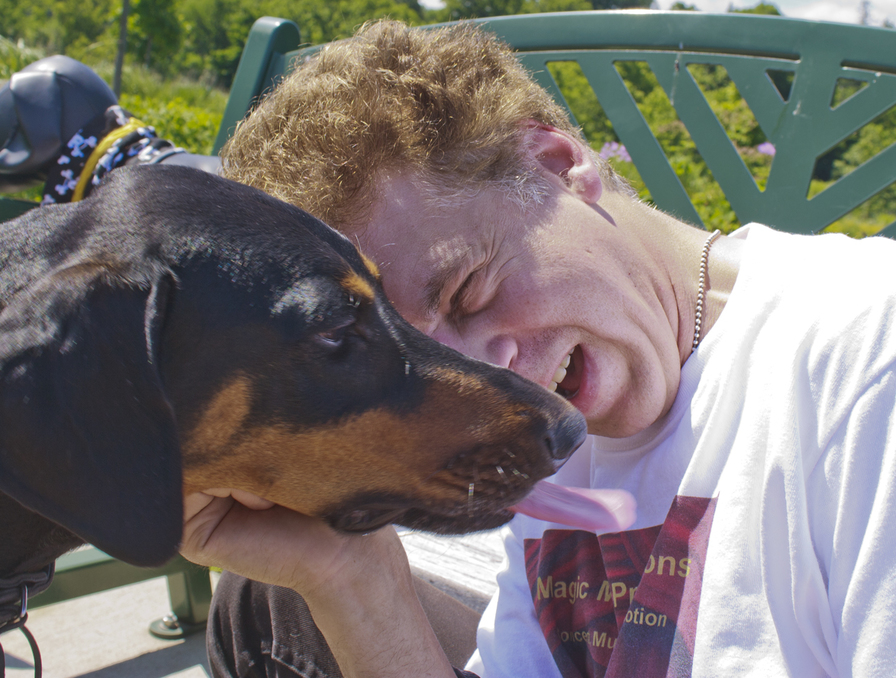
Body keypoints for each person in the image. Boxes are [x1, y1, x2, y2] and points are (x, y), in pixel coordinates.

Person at [179, 19, 896, 678]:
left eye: (468, 292)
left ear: (556, 162)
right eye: (429, 363)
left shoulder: (863, 357)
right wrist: (347, 573)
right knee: (263, 603)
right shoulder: (553, 420)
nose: (485, 378)